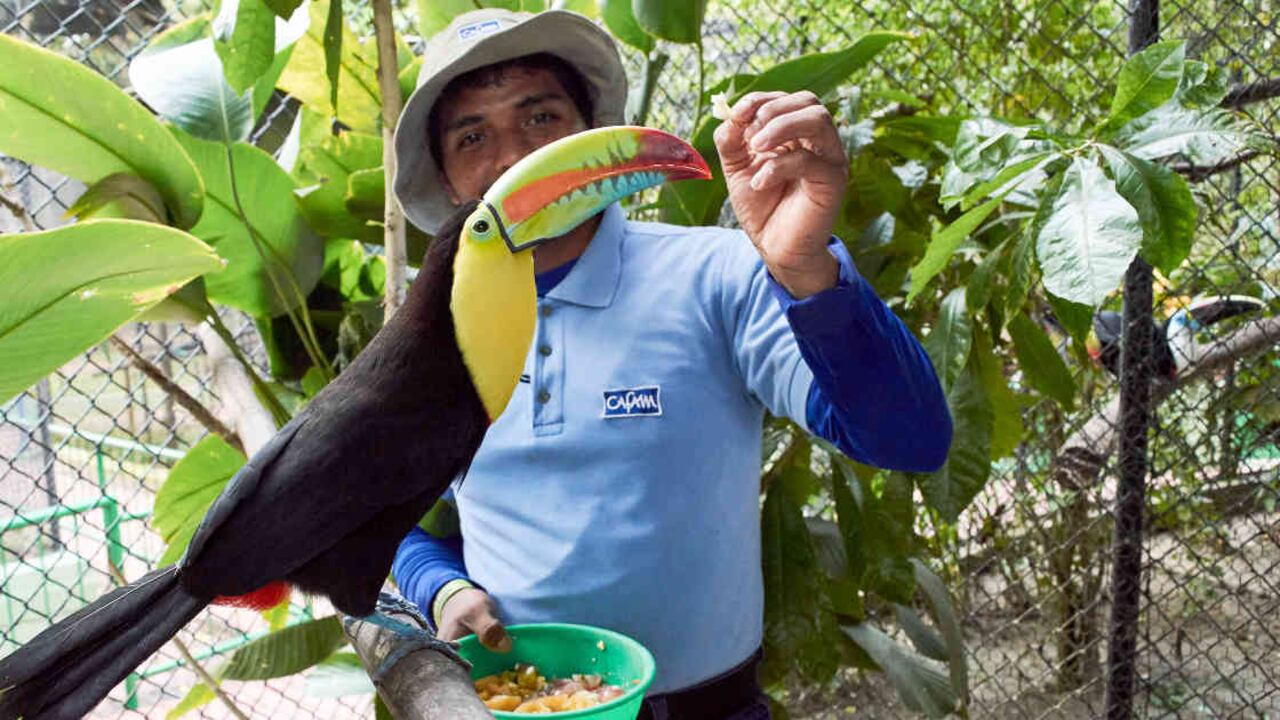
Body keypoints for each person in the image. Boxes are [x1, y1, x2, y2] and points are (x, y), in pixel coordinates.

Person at [388, 9, 952, 719]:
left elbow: (912, 440)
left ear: (589, 136)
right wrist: (442, 585)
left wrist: (807, 268)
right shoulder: (432, 334)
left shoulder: (716, 275)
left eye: (540, 119)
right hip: (520, 703)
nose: (513, 159)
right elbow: (377, 514)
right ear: (445, 178)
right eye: (474, 136)